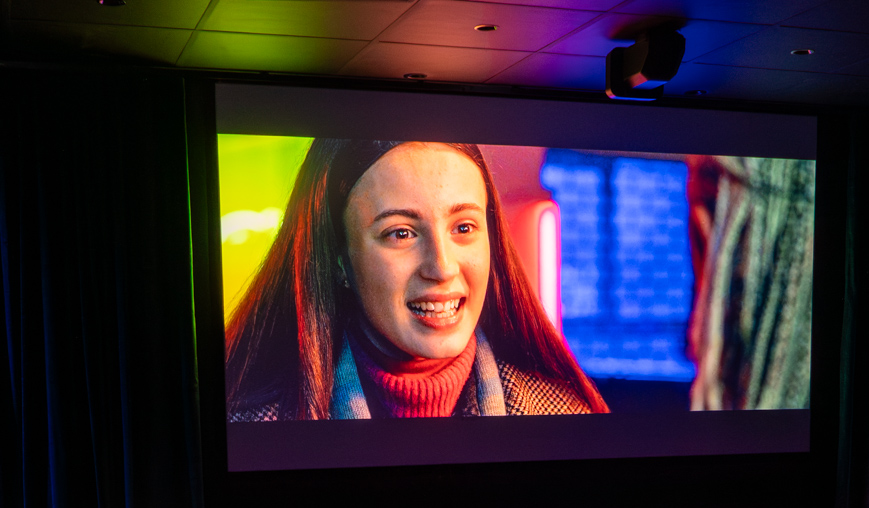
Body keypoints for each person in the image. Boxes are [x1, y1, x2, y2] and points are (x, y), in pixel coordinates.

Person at [226, 139, 607, 420]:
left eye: (463, 227)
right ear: (339, 261)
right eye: (401, 233)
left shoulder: (566, 415)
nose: (441, 268)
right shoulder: (249, 423)